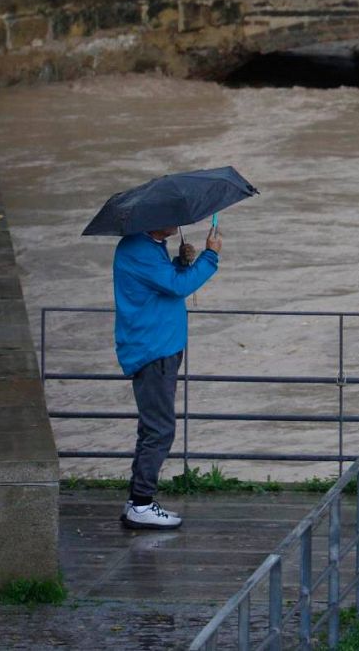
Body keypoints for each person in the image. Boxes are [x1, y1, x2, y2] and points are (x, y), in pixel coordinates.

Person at [112, 220, 223, 529]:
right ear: (155, 220)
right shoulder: (138, 250)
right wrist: (210, 256)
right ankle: (142, 504)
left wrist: (181, 261)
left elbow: (162, 284)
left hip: (160, 345)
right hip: (153, 350)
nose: (177, 222)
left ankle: (137, 500)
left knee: (152, 428)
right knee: (160, 429)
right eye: (171, 217)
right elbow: (177, 287)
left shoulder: (149, 246)